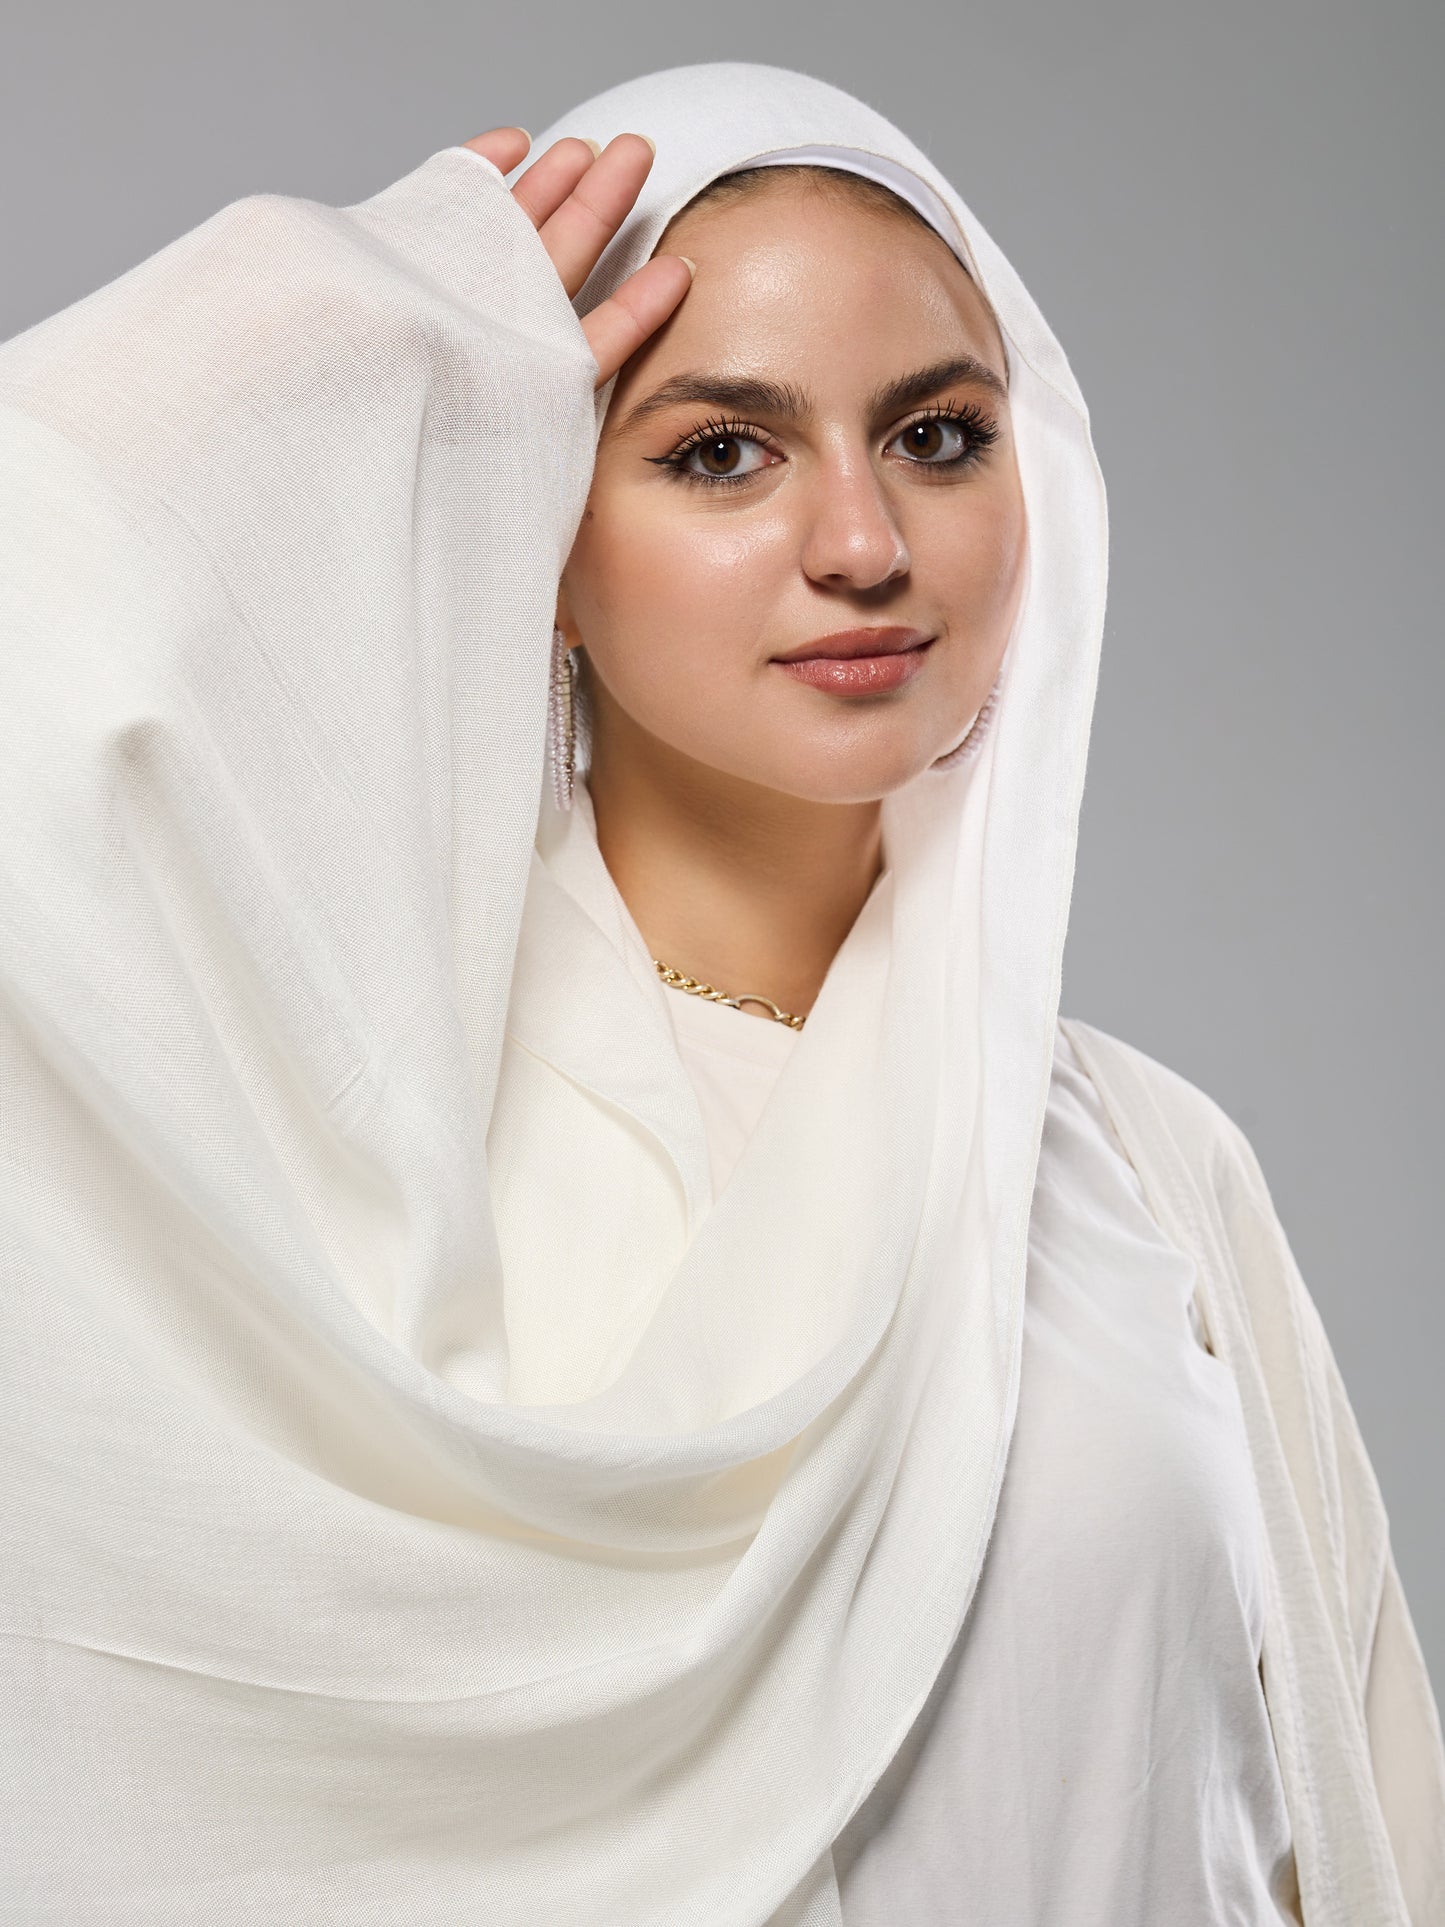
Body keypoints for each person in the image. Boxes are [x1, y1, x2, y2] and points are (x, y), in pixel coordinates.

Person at [0, 59, 1439, 1927]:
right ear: (540, 533)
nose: (861, 543)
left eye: (937, 436)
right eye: (718, 454)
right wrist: (289, 355)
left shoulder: (1151, 1169)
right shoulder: (351, 1144)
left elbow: (1357, 1826)